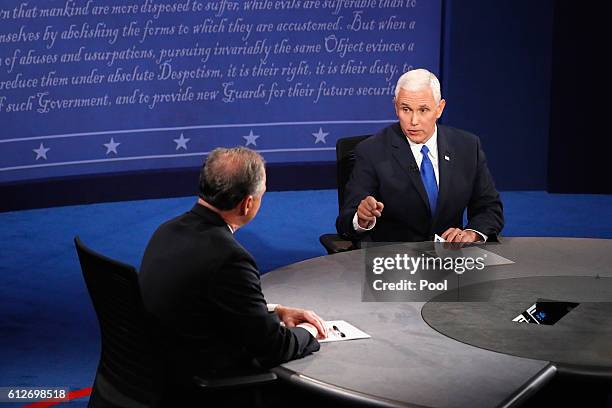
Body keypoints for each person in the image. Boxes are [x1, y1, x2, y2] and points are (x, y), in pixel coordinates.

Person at [139, 147, 326, 402]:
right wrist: (310, 332)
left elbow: (199, 299)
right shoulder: (229, 257)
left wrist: (276, 311)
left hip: (159, 372)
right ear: (248, 203)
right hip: (202, 386)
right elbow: (273, 348)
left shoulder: (166, 231)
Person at [336, 68, 504, 243]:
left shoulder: (467, 147)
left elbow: (489, 208)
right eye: (406, 109)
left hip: (451, 259)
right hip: (395, 261)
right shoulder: (372, 151)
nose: (414, 121)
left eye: (423, 110)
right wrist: (361, 219)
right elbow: (345, 221)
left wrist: (472, 233)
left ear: (439, 109)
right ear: (396, 107)